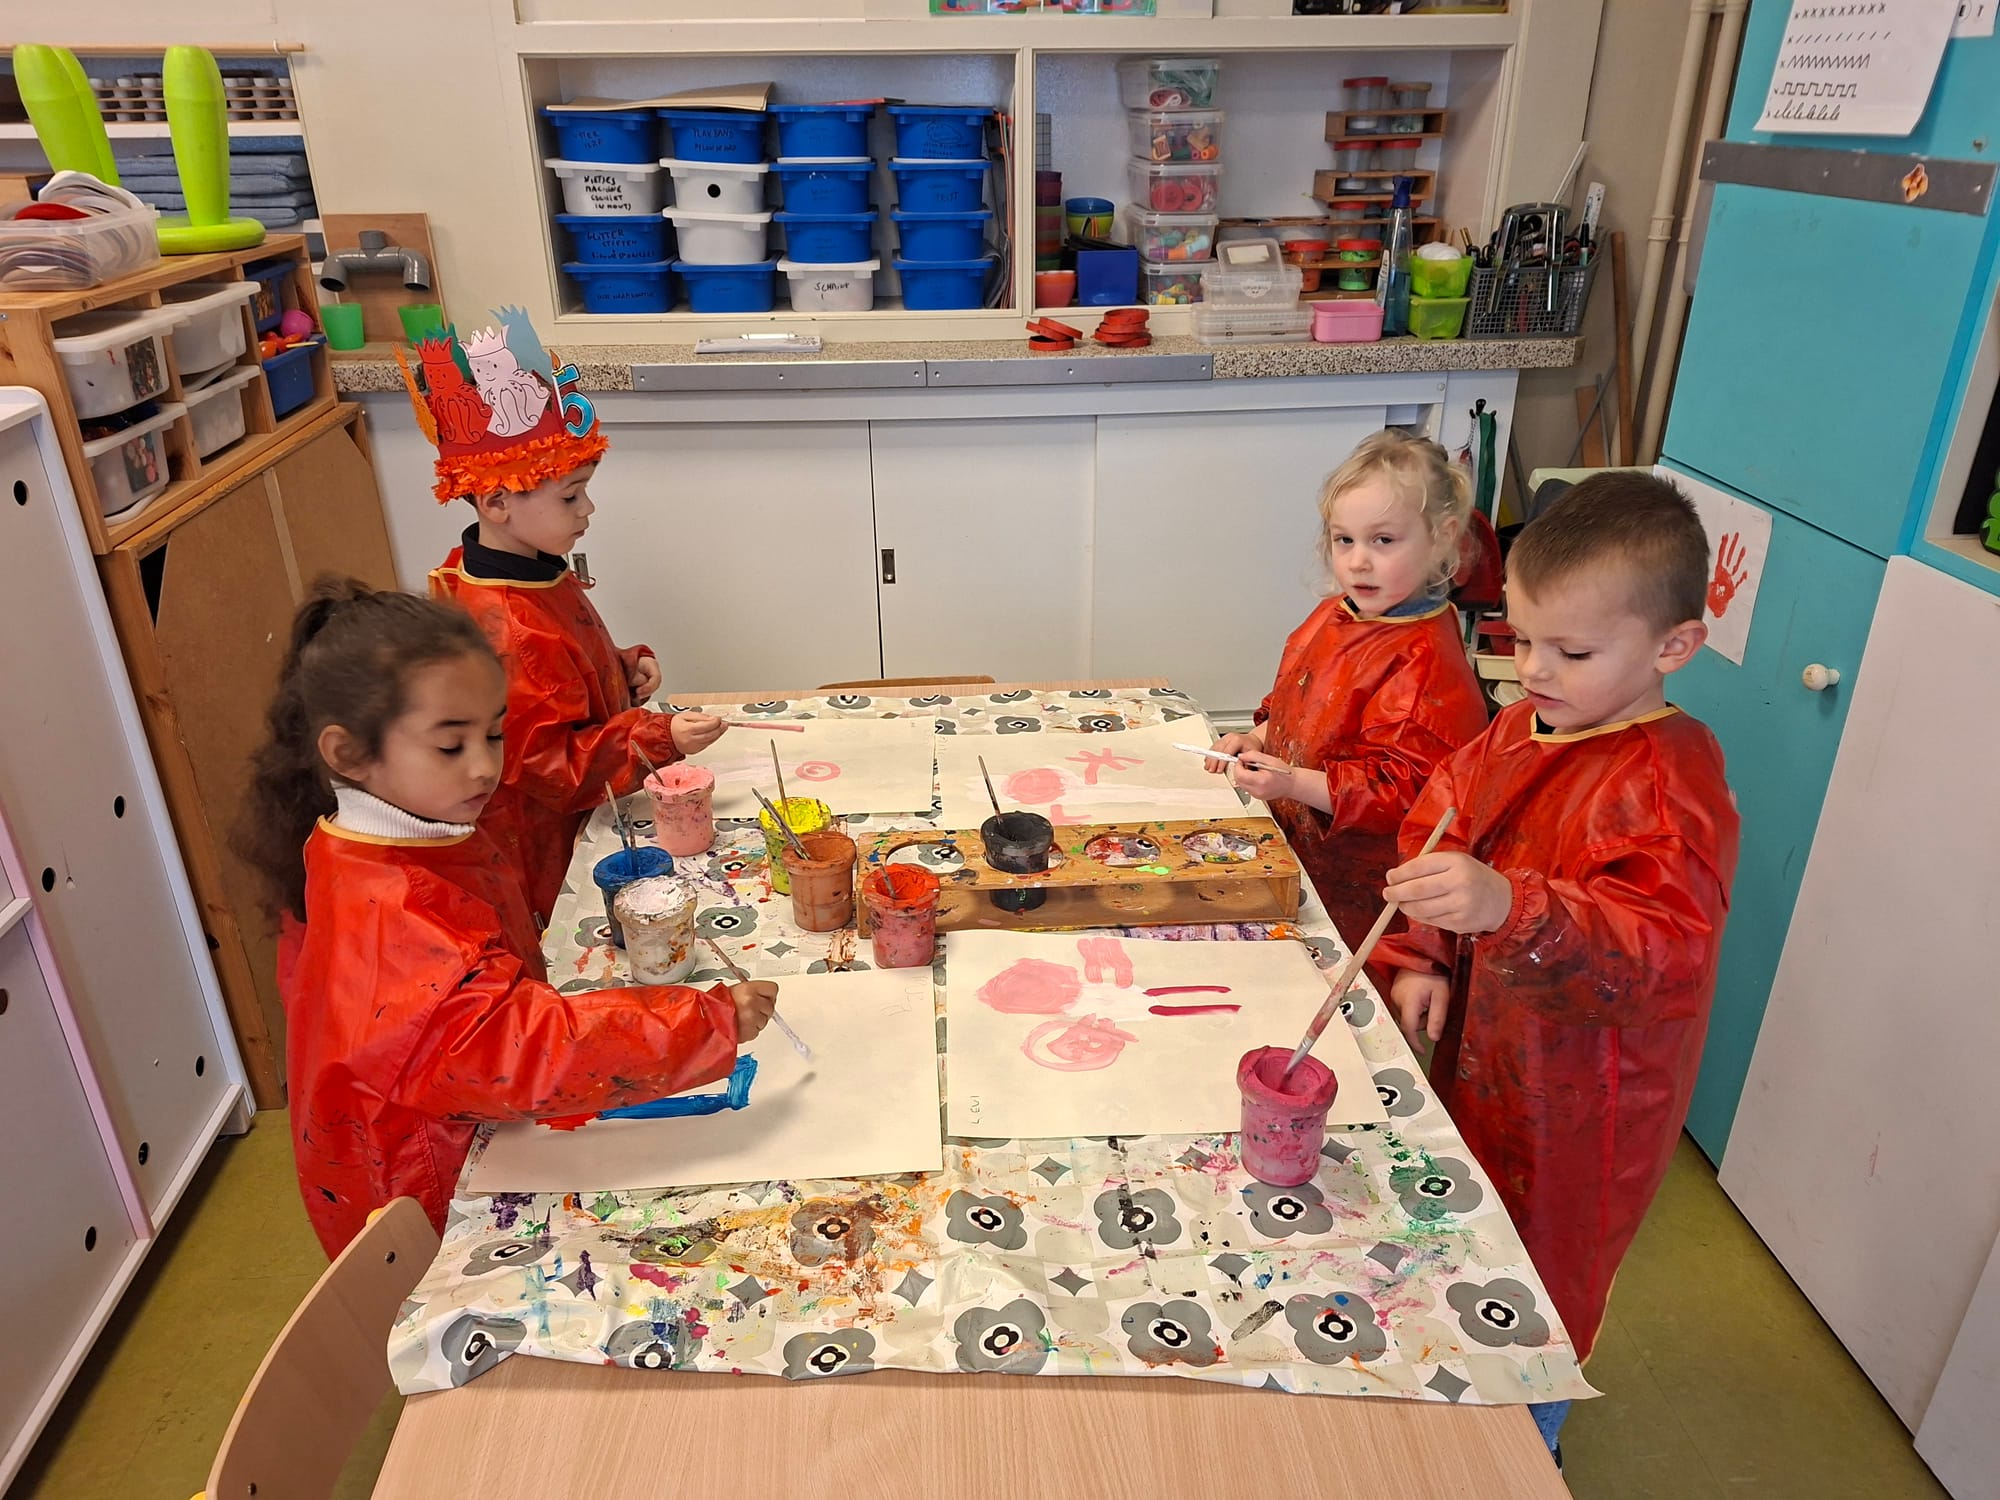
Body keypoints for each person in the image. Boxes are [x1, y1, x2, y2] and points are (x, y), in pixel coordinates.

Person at [239, 578, 776, 1257]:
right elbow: (521, 1049)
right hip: (421, 1188)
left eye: (493, 734)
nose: (484, 767)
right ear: (349, 754)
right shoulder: (391, 908)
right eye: (450, 745)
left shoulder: (401, 826)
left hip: (452, 1126)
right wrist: (704, 1022)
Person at [1376, 471, 1740, 1453]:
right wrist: (1424, 951)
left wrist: (1508, 905)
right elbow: (1441, 821)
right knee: (1466, 1230)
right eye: (1519, 638)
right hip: (1484, 1050)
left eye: (1570, 652)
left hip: (1585, 1102)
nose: (1531, 670)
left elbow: (1657, 958)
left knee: (1543, 1277)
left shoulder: (1668, 784)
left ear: (1673, 647)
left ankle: (1530, 1446)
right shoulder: (1522, 722)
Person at [396, 308, 727, 923]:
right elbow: (552, 766)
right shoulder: (505, 626)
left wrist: (619, 668)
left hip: (584, 806)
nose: (588, 508)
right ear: (497, 501)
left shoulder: (522, 568)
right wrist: (660, 738)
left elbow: (557, 677)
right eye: (570, 494)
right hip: (548, 844)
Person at [1208, 429, 1488, 946]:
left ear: (1442, 537)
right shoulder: (1339, 611)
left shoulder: (1424, 659)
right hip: (1301, 850)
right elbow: (1296, 703)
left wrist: (1293, 783)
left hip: (1370, 890)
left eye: (1383, 541)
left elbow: (1401, 795)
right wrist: (1258, 739)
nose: (1358, 561)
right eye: (1345, 540)